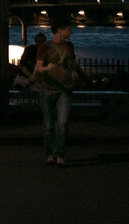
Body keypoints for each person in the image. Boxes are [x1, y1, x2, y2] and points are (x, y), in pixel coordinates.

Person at [34, 18, 91, 167]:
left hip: (65, 88)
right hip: (47, 88)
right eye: (69, 29)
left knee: (63, 123)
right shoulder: (45, 47)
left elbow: (73, 65)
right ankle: (50, 154)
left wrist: (84, 78)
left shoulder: (69, 46)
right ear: (60, 29)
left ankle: (59, 154)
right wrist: (48, 68)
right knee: (49, 125)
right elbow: (38, 68)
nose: (71, 32)